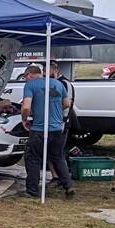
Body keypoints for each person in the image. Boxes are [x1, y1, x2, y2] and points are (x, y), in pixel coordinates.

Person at [21, 64, 75, 199]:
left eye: (25, 77)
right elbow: (67, 104)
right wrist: (55, 110)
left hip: (39, 128)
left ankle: (32, 190)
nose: (25, 80)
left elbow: (26, 107)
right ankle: (68, 185)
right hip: (57, 128)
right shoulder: (58, 84)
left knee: (33, 158)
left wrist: (25, 119)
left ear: (30, 74)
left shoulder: (30, 85)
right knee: (58, 157)